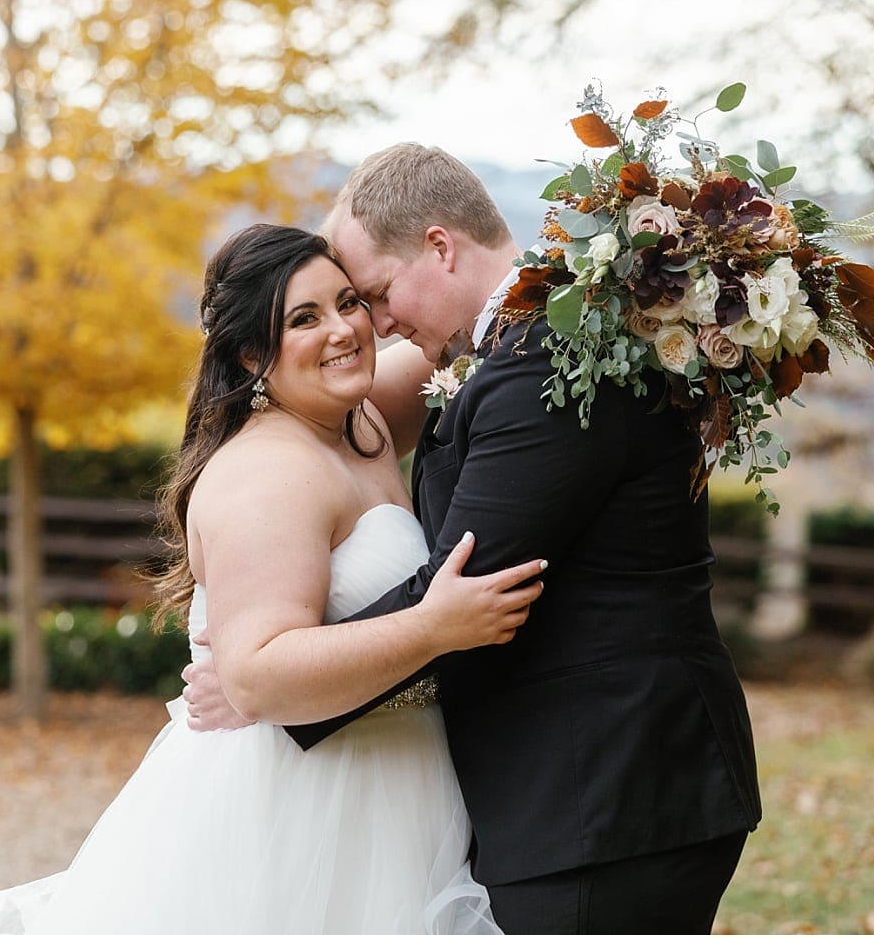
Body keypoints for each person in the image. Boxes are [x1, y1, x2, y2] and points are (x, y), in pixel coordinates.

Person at [180, 143, 762, 934]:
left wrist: (273, 686)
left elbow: (461, 593)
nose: (372, 324)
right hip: (561, 797)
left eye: (368, 296)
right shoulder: (513, 349)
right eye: (319, 311)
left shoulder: (546, 363)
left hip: (606, 793)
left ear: (441, 248)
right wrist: (267, 673)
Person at [0, 224, 549, 934]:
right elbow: (256, 678)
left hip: (402, 786)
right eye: (303, 319)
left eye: (348, 302)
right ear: (251, 355)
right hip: (300, 811)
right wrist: (432, 627)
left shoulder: (357, 417)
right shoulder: (266, 473)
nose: (344, 331)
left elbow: (484, 329)